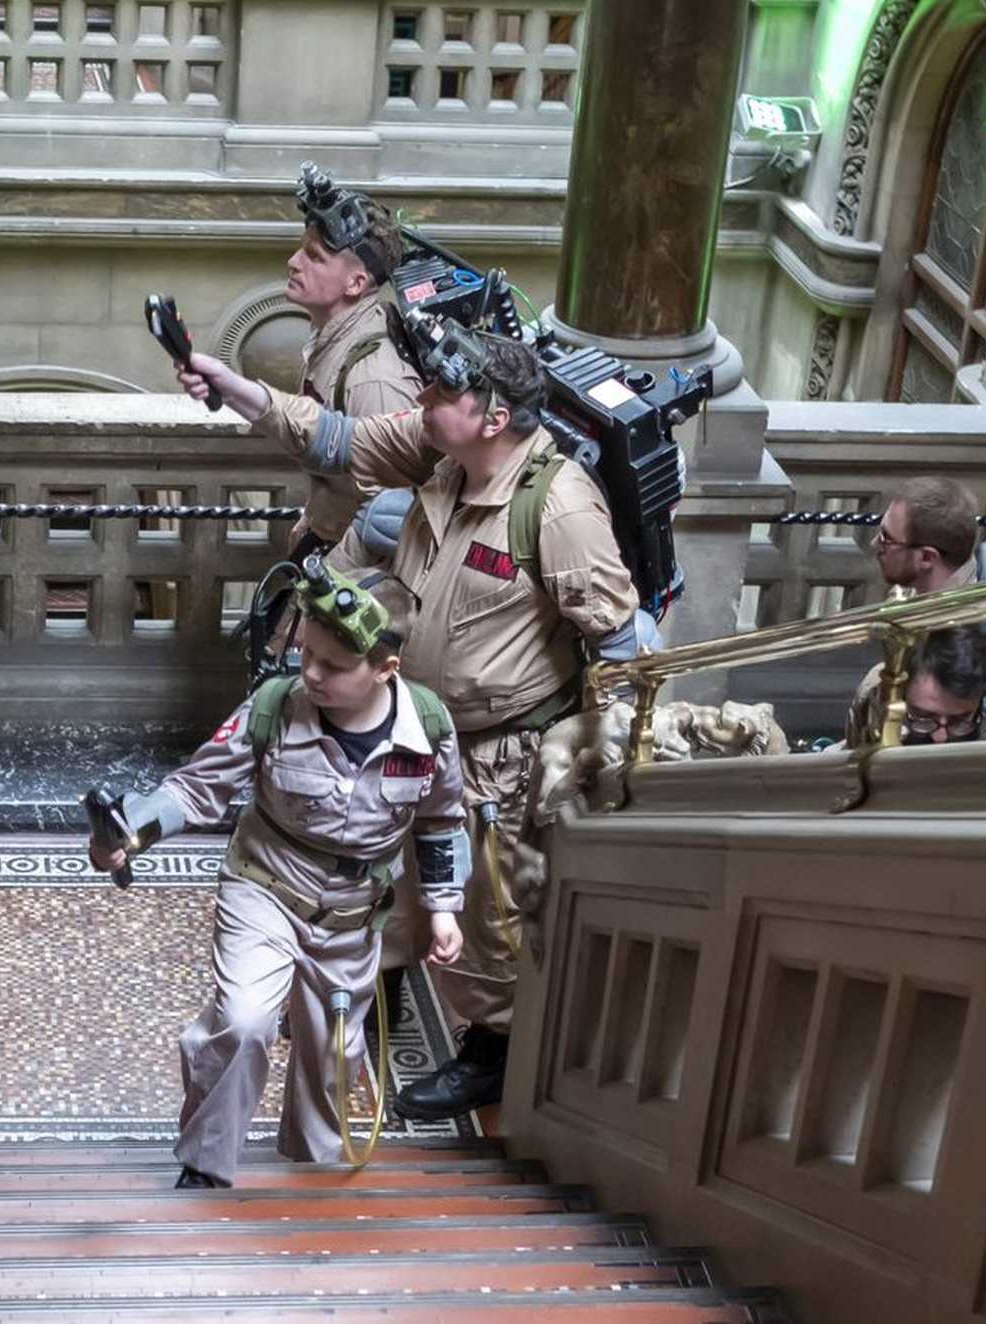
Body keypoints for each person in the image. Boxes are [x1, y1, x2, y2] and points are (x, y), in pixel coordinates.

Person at [174, 315, 639, 1122]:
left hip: (495, 755)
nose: (422, 397)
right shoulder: (440, 447)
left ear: (494, 417)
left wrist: (600, 761)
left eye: (442, 390)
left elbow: (621, 643)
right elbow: (334, 438)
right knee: (375, 881)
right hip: (401, 728)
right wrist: (233, 388)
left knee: (481, 917)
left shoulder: (558, 509)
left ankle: (493, 1051)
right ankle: (357, 1012)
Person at [88, 566, 467, 1188]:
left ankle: (313, 1176)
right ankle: (206, 1163)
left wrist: (443, 906)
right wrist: (132, 830)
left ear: (385, 669)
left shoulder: (427, 730)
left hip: (352, 912)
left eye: (333, 665)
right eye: (306, 653)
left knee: (333, 1053)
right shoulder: (273, 708)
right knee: (243, 1020)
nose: (311, 673)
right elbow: (196, 787)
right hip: (265, 885)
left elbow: (441, 819)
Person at [285, 164, 423, 550]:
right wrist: (314, 518)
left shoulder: (373, 379)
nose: (294, 262)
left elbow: (390, 524)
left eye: (314, 256)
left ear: (356, 283)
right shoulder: (332, 341)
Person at [845, 477, 983, 744]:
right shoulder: (944, 577)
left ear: (927, 558)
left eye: (887, 539)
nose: (875, 544)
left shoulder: (957, 638)